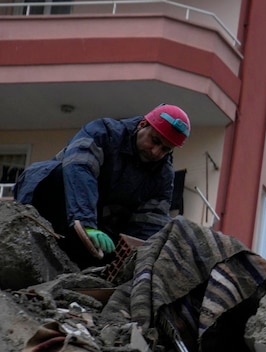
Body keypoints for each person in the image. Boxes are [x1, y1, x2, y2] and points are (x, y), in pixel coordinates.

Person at [14, 104, 190, 265]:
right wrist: (85, 223)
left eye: (165, 149)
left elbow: (150, 221)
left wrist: (135, 258)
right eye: (155, 140)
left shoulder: (163, 176)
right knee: (62, 175)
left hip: (99, 225)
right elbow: (80, 171)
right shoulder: (103, 132)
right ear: (142, 124)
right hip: (50, 200)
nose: (156, 151)